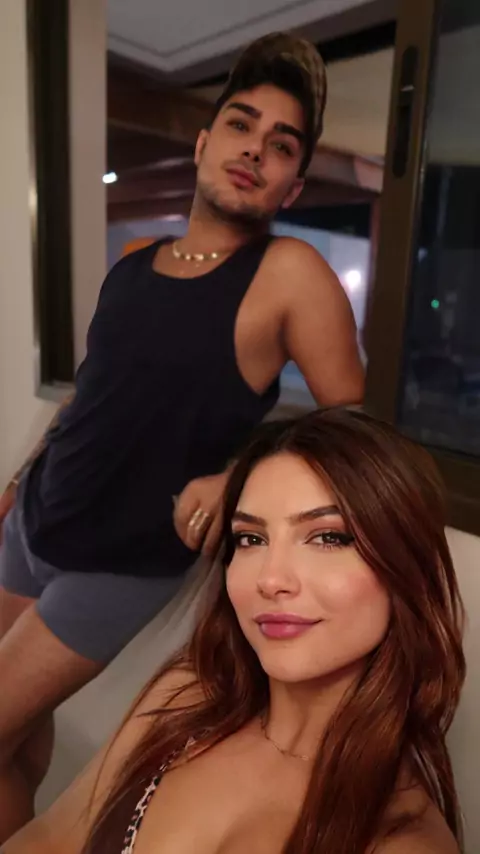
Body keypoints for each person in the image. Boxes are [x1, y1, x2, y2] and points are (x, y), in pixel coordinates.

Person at [0, 32, 364, 841]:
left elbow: (351, 423)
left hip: (120, 561)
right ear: (203, 145)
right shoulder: (134, 266)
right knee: (15, 736)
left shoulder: (288, 274)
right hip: (34, 522)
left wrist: (237, 478)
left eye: (281, 145)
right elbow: (91, 396)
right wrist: (19, 482)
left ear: (294, 185)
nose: (255, 149)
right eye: (240, 125)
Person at [3, 409, 465, 854]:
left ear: (406, 566)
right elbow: (52, 840)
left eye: (328, 537)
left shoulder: (403, 840)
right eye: (251, 539)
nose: (270, 578)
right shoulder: (186, 697)